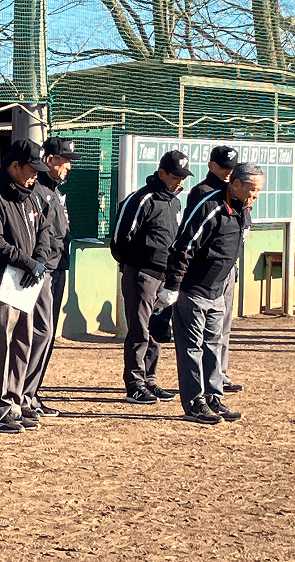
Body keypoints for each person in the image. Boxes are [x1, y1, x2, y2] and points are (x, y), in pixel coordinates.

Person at [159, 162, 264, 424]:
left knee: (213, 345)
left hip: (217, 290)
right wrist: (173, 285)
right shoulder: (210, 206)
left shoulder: (242, 211)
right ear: (235, 184)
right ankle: (195, 403)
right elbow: (184, 246)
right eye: (252, 189)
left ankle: (214, 398)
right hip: (193, 289)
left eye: (259, 190)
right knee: (191, 348)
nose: (256, 195)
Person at [0, 139, 52, 433]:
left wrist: (39, 260)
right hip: (1, 280)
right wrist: (27, 262)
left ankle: (15, 404)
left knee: (22, 342)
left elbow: (45, 231)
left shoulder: (32, 196)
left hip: (26, 281)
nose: (35, 176)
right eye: (31, 169)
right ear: (15, 166)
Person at [110, 150, 192, 404]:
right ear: (162, 173)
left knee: (156, 330)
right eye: (175, 176)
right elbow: (119, 240)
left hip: (164, 277)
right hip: (142, 275)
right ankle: (135, 384)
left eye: (182, 177)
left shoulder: (174, 202)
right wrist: (134, 265)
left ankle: (150, 380)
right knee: (139, 330)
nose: (179, 182)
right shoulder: (141, 199)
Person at [21, 137, 80, 419]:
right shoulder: (37, 189)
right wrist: (40, 264)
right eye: (65, 161)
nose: (69, 167)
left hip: (58, 268)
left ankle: (32, 393)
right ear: (49, 160)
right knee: (37, 333)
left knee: (47, 335)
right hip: (42, 270)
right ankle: (22, 394)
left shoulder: (55, 190)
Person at [185, 146, 243, 394]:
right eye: (223, 167)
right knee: (202, 334)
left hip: (227, 267)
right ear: (211, 166)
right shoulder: (203, 192)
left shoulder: (238, 193)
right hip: (205, 270)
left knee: (223, 325)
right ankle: (203, 380)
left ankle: (220, 374)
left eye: (232, 168)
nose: (228, 172)